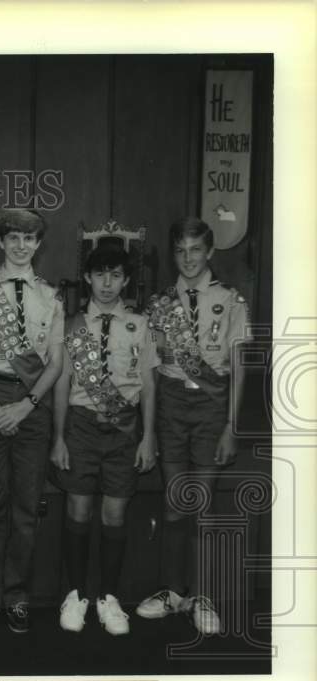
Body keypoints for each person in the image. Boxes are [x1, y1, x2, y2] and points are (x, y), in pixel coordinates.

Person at [136, 216, 251, 636]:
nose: (188, 259)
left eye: (195, 250)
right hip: (170, 403)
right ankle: (172, 591)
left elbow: (239, 369)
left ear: (210, 253)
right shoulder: (160, 303)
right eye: (180, 251)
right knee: (173, 501)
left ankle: (203, 595)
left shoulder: (231, 301)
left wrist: (231, 427)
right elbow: (150, 367)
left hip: (210, 405)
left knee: (201, 504)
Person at [50, 242, 158, 636]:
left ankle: (108, 598)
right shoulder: (72, 325)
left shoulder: (140, 325)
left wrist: (148, 438)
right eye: (100, 275)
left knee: (114, 513)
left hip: (124, 429)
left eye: (116, 275)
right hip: (80, 425)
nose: (107, 283)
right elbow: (62, 382)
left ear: (126, 280)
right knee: (77, 510)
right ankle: (76, 594)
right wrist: (58, 437)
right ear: (88, 278)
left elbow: (147, 384)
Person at [0, 208, 64, 634]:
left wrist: (27, 404)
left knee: (26, 509)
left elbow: (56, 363)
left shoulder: (51, 297)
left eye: (30, 239)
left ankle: (17, 596)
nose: (21, 246)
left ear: (39, 244)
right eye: (13, 238)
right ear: (1, 242)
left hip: (32, 407)